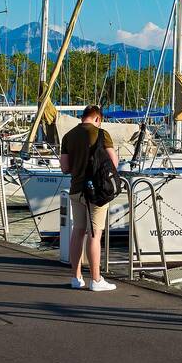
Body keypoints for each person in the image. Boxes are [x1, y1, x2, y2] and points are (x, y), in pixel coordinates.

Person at [59, 105, 118, 292]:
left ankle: (76, 278)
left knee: (78, 232)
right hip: (97, 191)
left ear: (83, 117)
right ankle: (96, 279)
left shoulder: (68, 136)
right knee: (94, 235)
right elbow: (113, 163)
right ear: (98, 119)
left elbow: (64, 167)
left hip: (76, 189)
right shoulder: (101, 134)